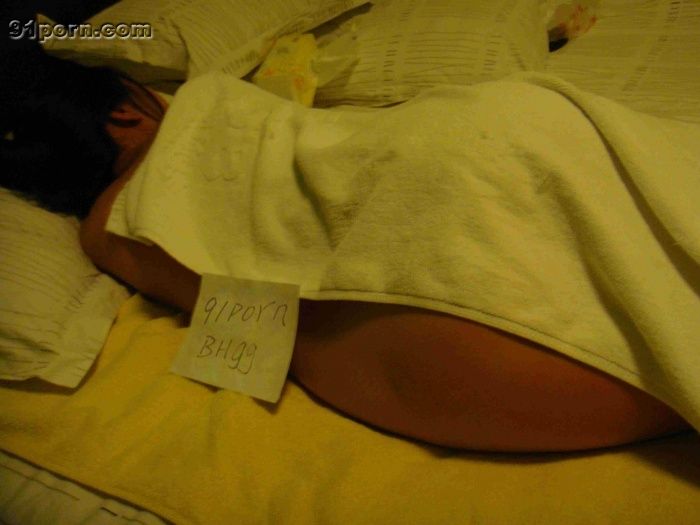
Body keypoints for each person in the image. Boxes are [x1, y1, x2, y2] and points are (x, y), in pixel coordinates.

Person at [1, 56, 690, 452]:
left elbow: (244, 312)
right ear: (126, 111)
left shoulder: (106, 226)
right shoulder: (208, 94)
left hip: (437, 163)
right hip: (495, 128)